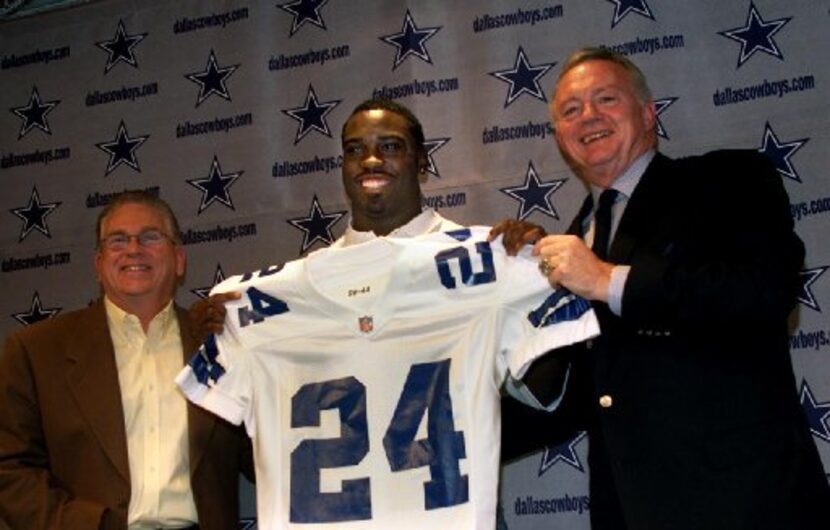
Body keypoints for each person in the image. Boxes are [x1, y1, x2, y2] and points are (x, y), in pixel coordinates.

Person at [500, 47, 830, 529]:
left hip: (747, 506)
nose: (587, 115)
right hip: (631, 512)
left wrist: (607, 280)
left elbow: (763, 291)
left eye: (606, 98)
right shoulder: (575, 240)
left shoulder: (726, 180)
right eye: (570, 110)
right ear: (559, 138)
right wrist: (450, 436)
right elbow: (578, 399)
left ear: (648, 112)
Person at [0, 191, 252, 530]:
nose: (134, 249)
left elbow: (265, 457)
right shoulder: (36, 351)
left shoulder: (222, 346)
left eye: (150, 237)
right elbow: (9, 470)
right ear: (99, 265)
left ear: (179, 260)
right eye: (117, 241)